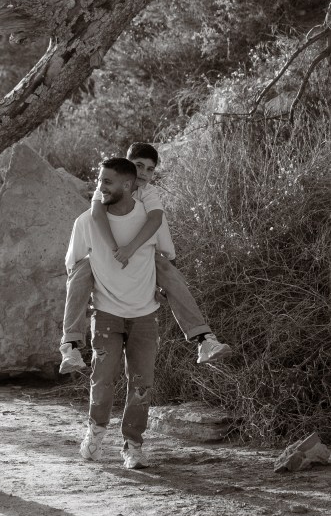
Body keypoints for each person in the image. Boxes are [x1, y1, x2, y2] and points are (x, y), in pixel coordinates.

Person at [60, 141, 231, 374]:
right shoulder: (107, 188)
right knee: (81, 272)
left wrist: (132, 250)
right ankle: (70, 345)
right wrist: (114, 249)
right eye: (139, 166)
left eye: (151, 169)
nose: (144, 173)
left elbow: (156, 220)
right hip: (104, 256)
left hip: (140, 256)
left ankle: (203, 338)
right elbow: (97, 214)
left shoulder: (148, 193)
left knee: (168, 271)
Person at [69, 157, 160, 469]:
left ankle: (132, 446)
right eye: (99, 180)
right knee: (103, 378)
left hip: (145, 314)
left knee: (142, 383)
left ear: (127, 185)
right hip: (106, 313)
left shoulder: (150, 219)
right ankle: (95, 435)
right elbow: (74, 265)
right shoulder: (85, 222)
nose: (100, 187)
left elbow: (167, 255)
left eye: (107, 182)